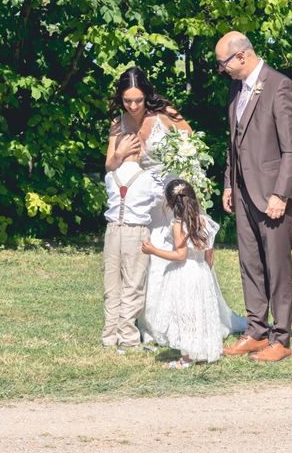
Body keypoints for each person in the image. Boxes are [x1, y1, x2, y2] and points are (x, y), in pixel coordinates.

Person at [104, 67, 245, 345]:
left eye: (138, 100)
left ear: (147, 96)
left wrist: (193, 202)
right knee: (148, 261)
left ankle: (188, 321)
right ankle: (150, 324)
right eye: (127, 101)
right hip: (144, 203)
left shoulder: (167, 114)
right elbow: (110, 165)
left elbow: (192, 150)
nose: (133, 106)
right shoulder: (117, 123)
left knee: (180, 255)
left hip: (174, 197)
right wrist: (120, 153)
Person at [215, 31, 292, 362]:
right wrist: (229, 182)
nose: (221, 69)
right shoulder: (235, 89)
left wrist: (280, 194)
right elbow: (234, 142)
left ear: (242, 56)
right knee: (250, 264)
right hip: (242, 191)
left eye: (222, 62)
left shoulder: (280, 86)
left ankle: (281, 339)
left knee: (277, 266)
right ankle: (256, 331)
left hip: (272, 194)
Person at [141, 179, 224, 368]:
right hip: (201, 272)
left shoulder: (178, 224)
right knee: (198, 312)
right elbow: (210, 256)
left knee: (185, 314)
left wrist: (153, 250)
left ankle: (186, 359)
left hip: (183, 274)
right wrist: (204, 274)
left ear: (170, 203)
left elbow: (180, 255)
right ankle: (201, 353)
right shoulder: (204, 221)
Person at [102, 133, 163, 352]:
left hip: (112, 231)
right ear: (139, 151)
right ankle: (127, 336)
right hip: (135, 231)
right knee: (133, 283)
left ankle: (109, 335)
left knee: (112, 284)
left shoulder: (111, 177)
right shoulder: (149, 178)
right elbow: (159, 198)